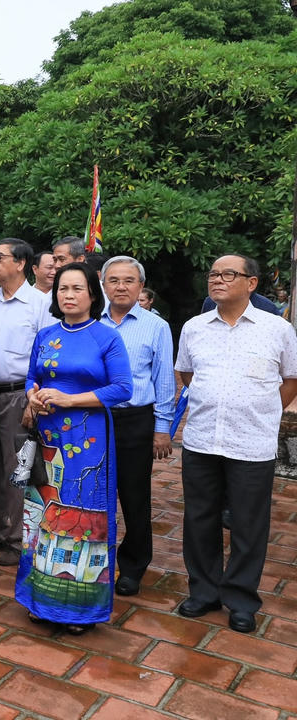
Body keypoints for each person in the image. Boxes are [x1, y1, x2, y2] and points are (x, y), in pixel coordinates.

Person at [174, 254, 297, 634]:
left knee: (248, 524)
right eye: (213, 273)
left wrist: (259, 412)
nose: (218, 280)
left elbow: (291, 379)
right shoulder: (194, 328)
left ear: (252, 283)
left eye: (229, 274)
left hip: (251, 443)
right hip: (201, 440)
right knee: (199, 520)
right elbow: (185, 372)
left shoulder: (276, 329)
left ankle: (241, 599)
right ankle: (204, 591)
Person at [22, 262, 132, 634]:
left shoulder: (106, 337)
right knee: (44, 511)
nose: (68, 295)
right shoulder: (46, 334)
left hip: (89, 441)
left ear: (92, 295)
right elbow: (32, 376)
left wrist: (70, 400)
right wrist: (33, 398)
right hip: (48, 435)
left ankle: (78, 610)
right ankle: (40, 600)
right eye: (62, 289)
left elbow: (122, 389)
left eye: (76, 289)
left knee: (82, 514)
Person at [0, 238, 51, 566]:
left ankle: (18, 538)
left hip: (20, 395)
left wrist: (34, 401)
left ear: (20, 263)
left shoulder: (39, 304)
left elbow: (47, 356)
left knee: (18, 468)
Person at [99, 256, 175, 596]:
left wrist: (162, 428)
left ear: (141, 286)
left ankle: (132, 567)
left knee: (134, 496)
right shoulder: (89, 322)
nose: (121, 286)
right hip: (93, 418)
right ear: (103, 284)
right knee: (93, 493)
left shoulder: (155, 326)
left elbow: (164, 381)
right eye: (113, 280)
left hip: (134, 421)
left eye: (129, 280)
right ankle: (94, 562)